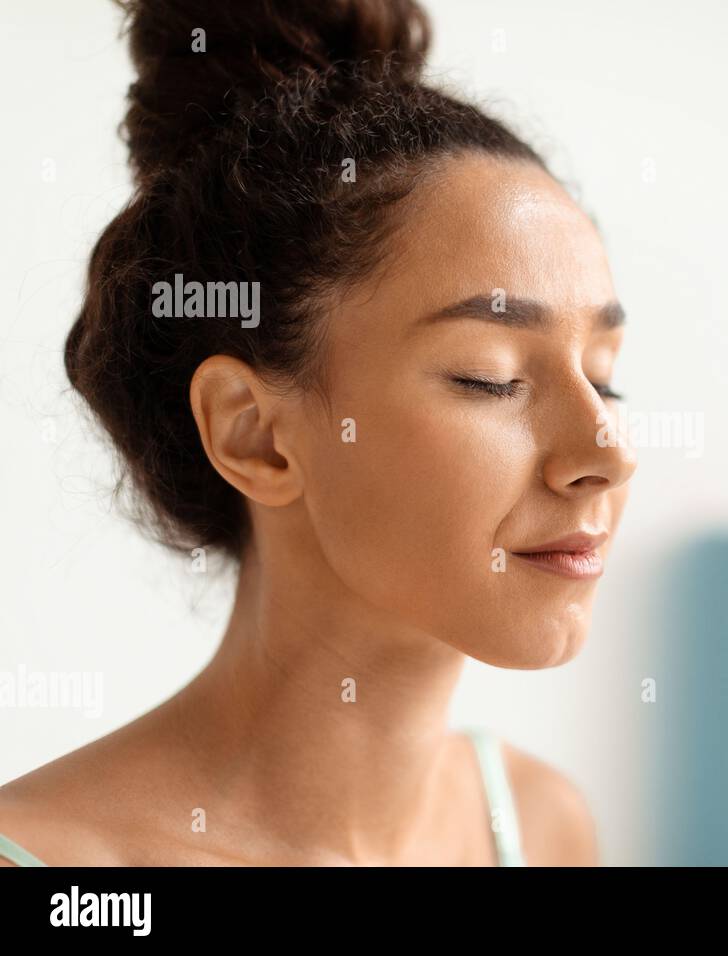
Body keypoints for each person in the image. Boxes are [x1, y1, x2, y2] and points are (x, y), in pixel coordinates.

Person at [0, 0, 635, 866]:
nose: (609, 452)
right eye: (491, 377)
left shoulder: (541, 827)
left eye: (604, 378)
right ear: (254, 435)